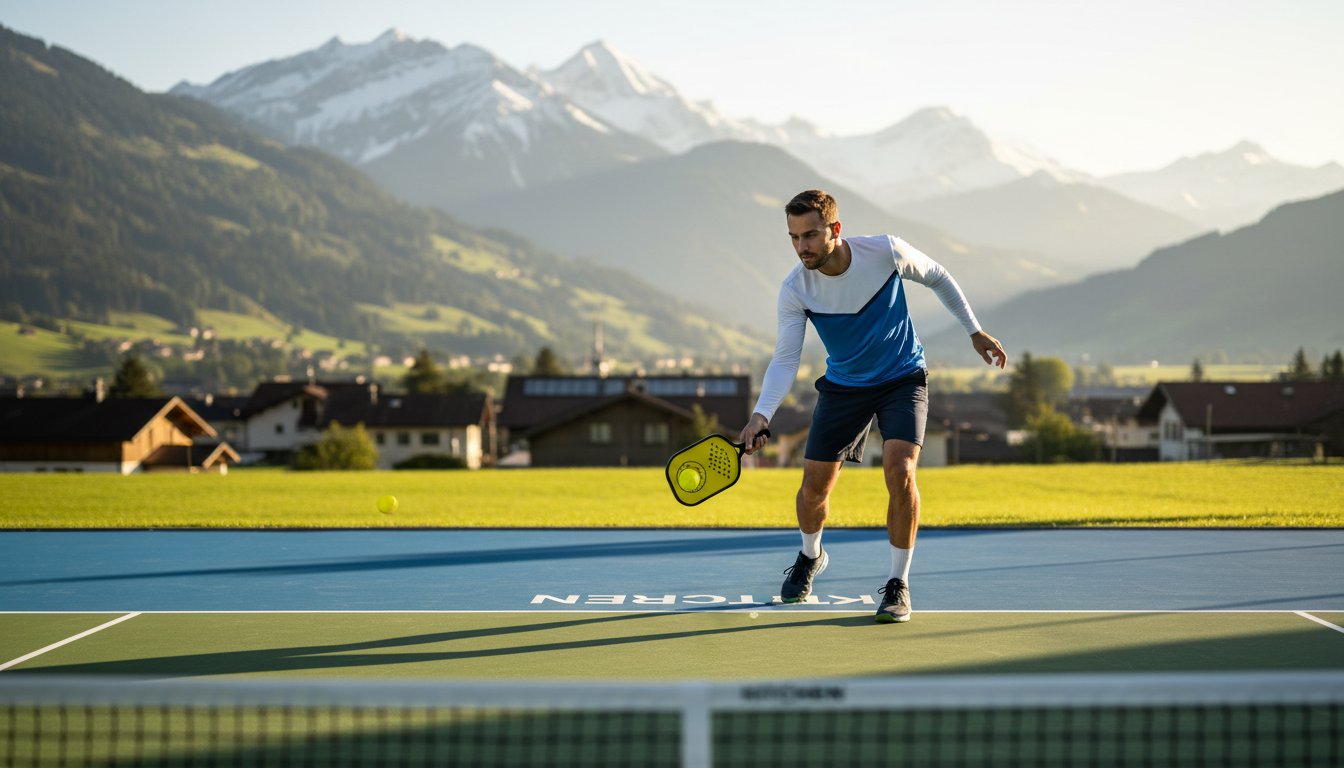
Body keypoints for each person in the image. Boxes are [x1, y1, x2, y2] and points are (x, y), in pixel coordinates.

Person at [739, 190, 1006, 623]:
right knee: (813, 490)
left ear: (835, 230)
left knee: (900, 472)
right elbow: (786, 358)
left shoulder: (884, 251)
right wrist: (760, 415)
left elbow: (937, 274)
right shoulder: (796, 289)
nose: (801, 246)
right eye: (793, 237)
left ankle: (898, 583)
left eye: (810, 235)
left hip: (903, 378)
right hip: (845, 388)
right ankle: (810, 556)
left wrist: (973, 330)